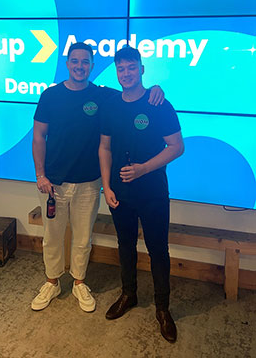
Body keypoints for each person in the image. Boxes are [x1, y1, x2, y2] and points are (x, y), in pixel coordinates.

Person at [31, 42, 164, 313]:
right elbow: (38, 137)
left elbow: (134, 93)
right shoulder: (50, 95)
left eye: (86, 62)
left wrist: (155, 89)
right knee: (52, 237)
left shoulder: (103, 96)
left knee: (83, 238)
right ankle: (52, 281)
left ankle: (79, 281)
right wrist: (40, 174)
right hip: (54, 183)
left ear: (92, 66)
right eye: (75, 61)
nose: (80, 66)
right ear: (67, 64)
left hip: (90, 183)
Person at [98, 46, 184, 343]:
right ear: (116, 71)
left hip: (153, 191)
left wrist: (144, 168)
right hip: (120, 191)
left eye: (131, 67)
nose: (126, 73)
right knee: (125, 245)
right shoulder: (110, 105)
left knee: (158, 249)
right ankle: (129, 295)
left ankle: (163, 309)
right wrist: (106, 187)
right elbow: (105, 148)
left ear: (142, 69)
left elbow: (176, 147)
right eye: (121, 68)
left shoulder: (159, 103)